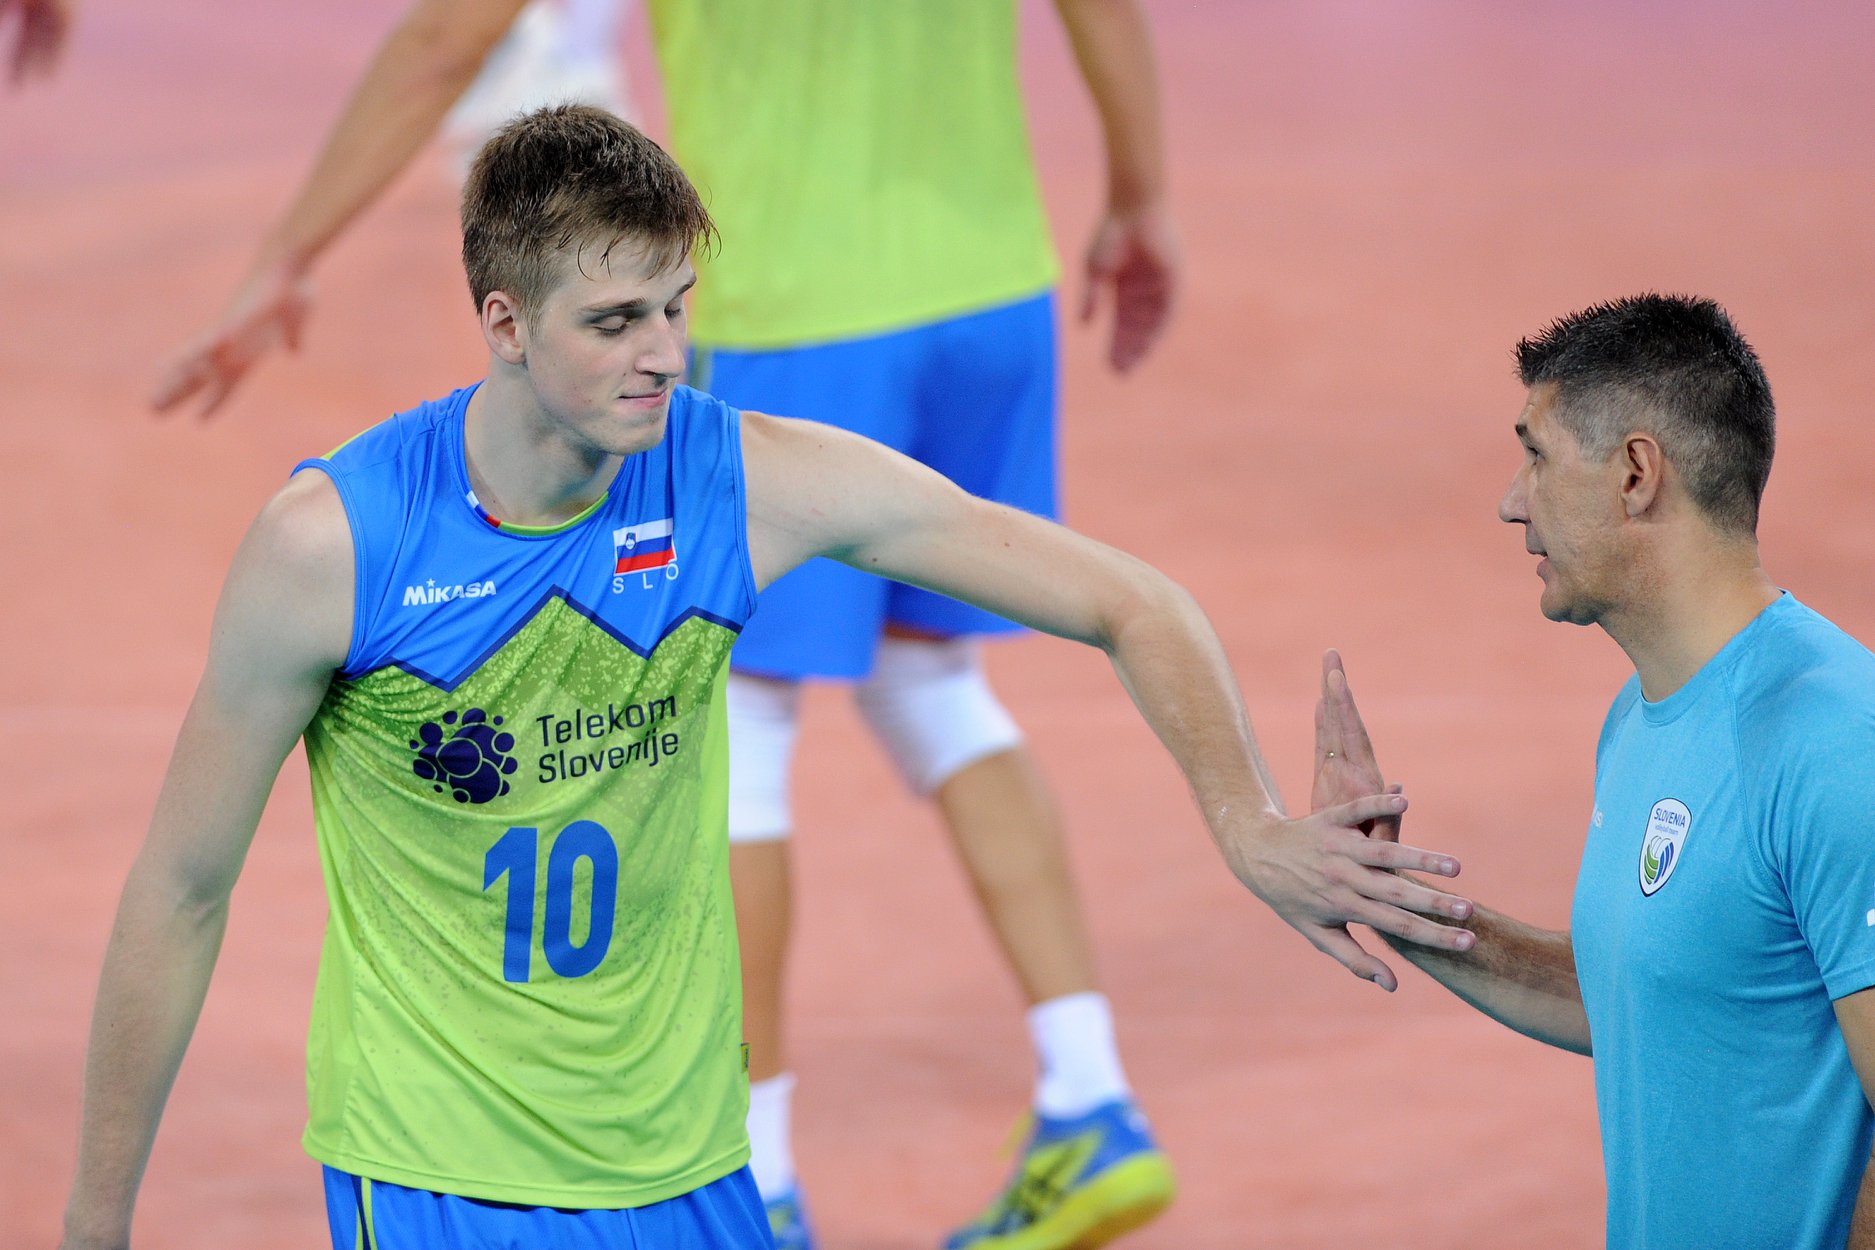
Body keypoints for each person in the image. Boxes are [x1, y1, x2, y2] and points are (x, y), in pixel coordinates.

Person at [63, 106, 1475, 1250]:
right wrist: (95, 1223)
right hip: (441, 1176)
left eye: (676, 307)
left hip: (690, 1166)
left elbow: (1127, 597)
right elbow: (180, 887)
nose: (662, 357)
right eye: (615, 320)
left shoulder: (736, 478)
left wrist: (1245, 820)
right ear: (503, 323)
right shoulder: (336, 544)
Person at [147, 3, 1180, 1245]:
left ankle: (768, 1171)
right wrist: (1140, 195)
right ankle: (1089, 1090)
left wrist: (288, 250)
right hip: (992, 285)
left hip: (795, 308)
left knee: (742, 732)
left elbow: (445, 42)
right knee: (931, 683)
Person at [1313, 294, 1875, 1250]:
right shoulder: (1639, 717)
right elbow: (1660, 994)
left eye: (1536, 455)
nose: (1511, 500)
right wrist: (1394, 903)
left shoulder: (1831, 742)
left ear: (1634, 474)